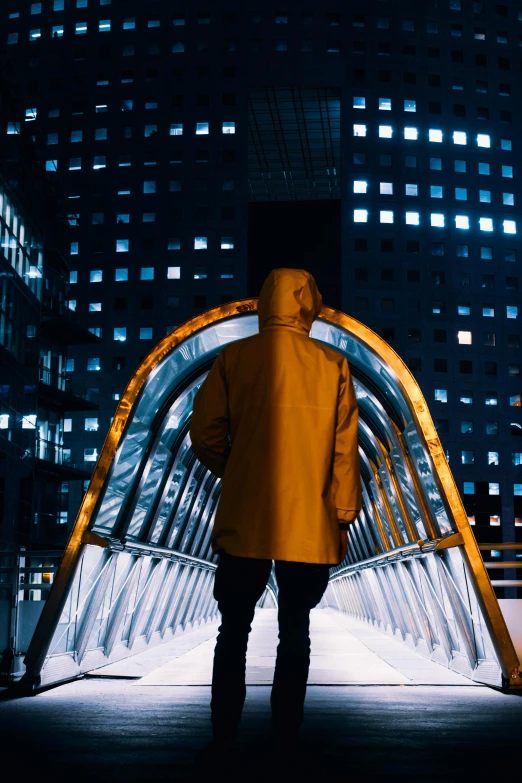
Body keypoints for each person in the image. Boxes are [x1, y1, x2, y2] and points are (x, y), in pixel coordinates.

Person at [190, 267, 361, 752]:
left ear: (266, 303)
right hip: (308, 522)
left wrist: (239, 469)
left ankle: (224, 729)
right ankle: (286, 730)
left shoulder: (234, 358)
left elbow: (203, 433)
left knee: (234, 629)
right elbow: (345, 451)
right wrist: (343, 511)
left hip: (247, 517)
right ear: (310, 305)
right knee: (295, 630)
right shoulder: (332, 365)